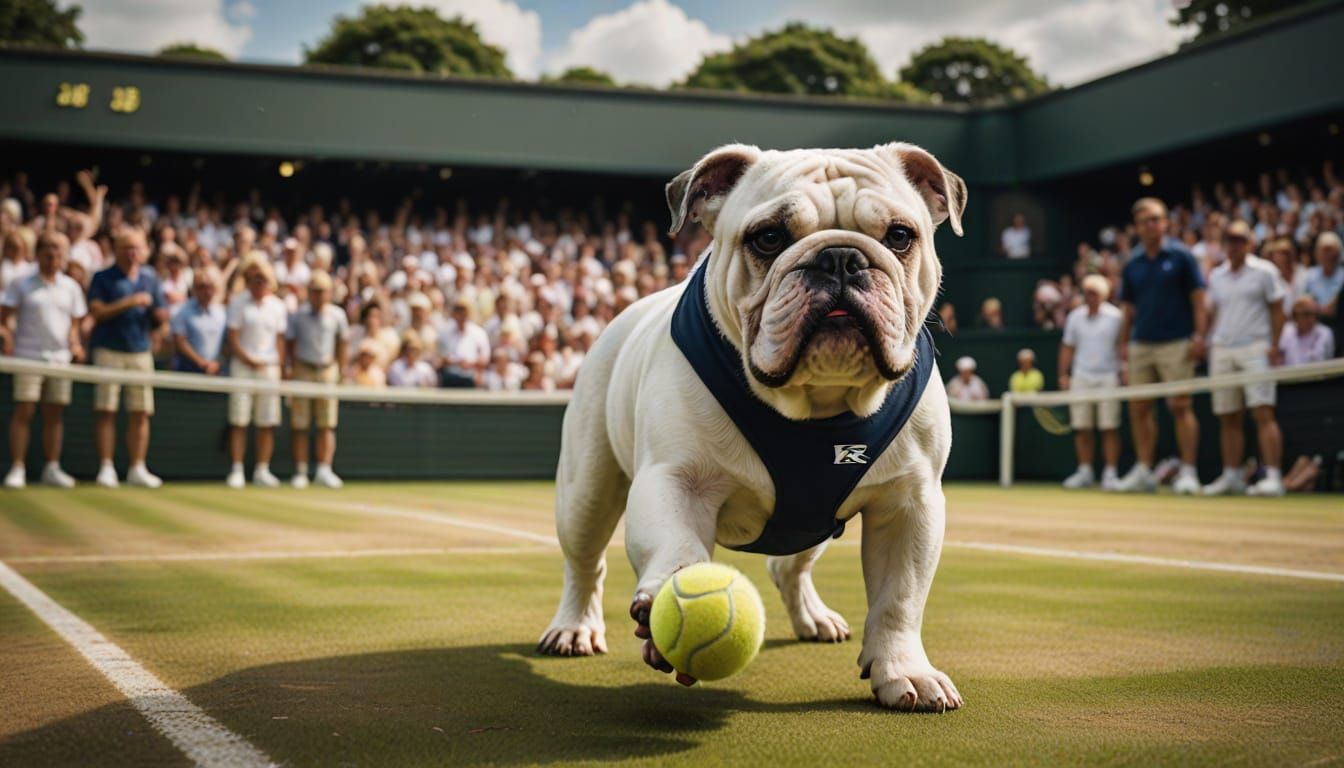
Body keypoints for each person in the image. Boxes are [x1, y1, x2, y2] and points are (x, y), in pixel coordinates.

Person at [1114, 198, 1207, 495]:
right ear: (1137, 227)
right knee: (1139, 408)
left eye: (1156, 219)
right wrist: (1124, 345)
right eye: (1145, 221)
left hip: (1177, 341)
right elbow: (1128, 309)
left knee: (1180, 406)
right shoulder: (1133, 263)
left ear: (1166, 223)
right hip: (1142, 343)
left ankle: (1189, 472)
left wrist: (1199, 336)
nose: (1151, 225)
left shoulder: (1182, 256)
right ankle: (1144, 469)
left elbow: (1198, 300)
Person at [1200, 221, 1286, 496]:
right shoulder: (1217, 275)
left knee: (1262, 411)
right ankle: (1232, 475)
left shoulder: (1265, 271)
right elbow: (1211, 313)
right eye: (1229, 239)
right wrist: (1204, 339)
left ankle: (1273, 477)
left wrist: (1275, 344)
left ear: (1250, 242)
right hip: (1222, 348)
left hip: (1256, 347)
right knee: (1228, 415)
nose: (1234, 244)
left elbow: (1277, 309)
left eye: (1239, 239)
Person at [1, 232, 86, 489]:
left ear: (64, 255)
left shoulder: (71, 286)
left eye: (58, 249)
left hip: (60, 360)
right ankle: (17, 468)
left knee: (54, 414)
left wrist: (74, 342)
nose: (53, 254)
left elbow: (74, 324)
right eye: (47, 248)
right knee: (24, 411)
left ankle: (52, 467)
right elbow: (3, 318)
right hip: (28, 356)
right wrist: (7, 338)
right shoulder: (21, 282)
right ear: (37, 253)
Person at [87, 228, 167, 488]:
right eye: (127, 247)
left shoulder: (151, 278)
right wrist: (130, 302)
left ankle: (137, 468)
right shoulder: (103, 277)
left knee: (141, 412)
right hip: (108, 349)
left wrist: (158, 317)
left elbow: (162, 314)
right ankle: (106, 467)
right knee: (106, 411)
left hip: (141, 351)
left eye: (137, 248)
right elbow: (96, 313)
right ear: (116, 249)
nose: (133, 253)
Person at [224, 253, 288, 489]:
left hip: (269, 370)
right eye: (254, 278)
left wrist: (278, 366)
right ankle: (237, 470)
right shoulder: (238, 302)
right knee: (239, 421)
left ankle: (262, 470)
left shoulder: (278, 307)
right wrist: (248, 359)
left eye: (263, 278)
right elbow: (232, 338)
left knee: (266, 422)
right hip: (242, 368)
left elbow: (280, 341)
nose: (259, 282)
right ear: (248, 279)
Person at [1058, 275, 1125, 490]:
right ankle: (1085, 471)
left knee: (1109, 427)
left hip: (1108, 376)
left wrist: (1124, 369)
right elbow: (1068, 347)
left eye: (1094, 292)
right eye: (1087, 292)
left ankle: (1110, 473)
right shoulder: (1075, 317)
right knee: (1081, 427)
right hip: (1081, 376)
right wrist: (1063, 374)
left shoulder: (1116, 317)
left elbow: (1122, 346)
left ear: (1104, 294)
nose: (1090, 296)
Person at [286, 271, 349, 489]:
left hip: (327, 371)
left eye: (322, 291)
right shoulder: (298, 316)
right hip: (303, 370)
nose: (318, 296)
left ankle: (324, 470)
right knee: (300, 425)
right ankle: (301, 472)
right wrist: (291, 371)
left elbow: (342, 345)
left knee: (327, 424)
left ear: (330, 293)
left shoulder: (338, 315)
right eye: (314, 291)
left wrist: (340, 371)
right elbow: (290, 346)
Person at [169, 266, 225, 374]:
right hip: (188, 371)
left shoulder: (221, 313)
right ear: (194, 288)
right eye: (202, 287)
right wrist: (203, 363)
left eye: (210, 287)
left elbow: (225, 344)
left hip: (215, 371)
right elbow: (180, 342)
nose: (207, 291)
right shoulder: (182, 312)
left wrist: (216, 363)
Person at [437, 295, 490, 387]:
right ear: (454, 313)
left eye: (464, 311)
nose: (461, 314)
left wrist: (470, 364)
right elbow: (439, 359)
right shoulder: (444, 332)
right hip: (449, 377)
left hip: (471, 378)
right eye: (458, 311)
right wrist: (456, 362)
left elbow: (484, 360)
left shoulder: (479, 333)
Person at [1280, 295, 1335, 365]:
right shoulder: (1284, 332)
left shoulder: (1326, 333)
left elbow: (1329, 359)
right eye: (1306, 314)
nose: (1311, 319)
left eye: (1315, 314)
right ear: (1295, 315)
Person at [1303, 232, 1341, 325]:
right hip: (1315, 323)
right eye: (1324, 250)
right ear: (1317, 252)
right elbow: (1304, 301)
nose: (1328, 255)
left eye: (1330, 250)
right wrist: (1318, 309)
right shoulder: (1310, 275)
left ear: (1338, 253)